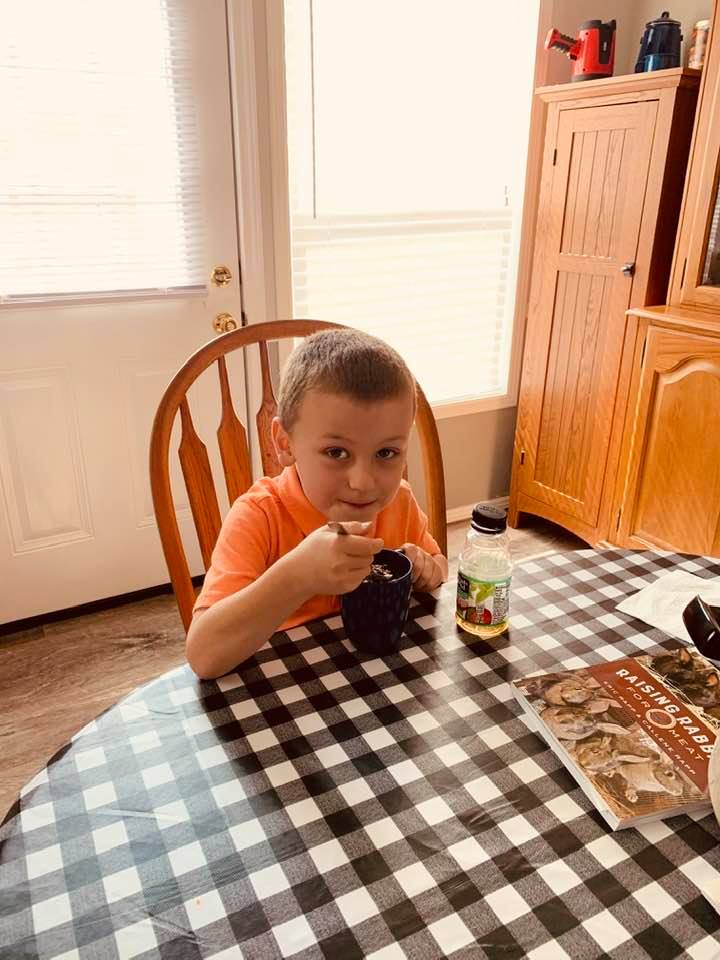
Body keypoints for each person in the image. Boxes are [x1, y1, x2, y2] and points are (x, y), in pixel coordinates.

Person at [187, 329, 448, 678]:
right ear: (284, 443)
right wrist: (298, 577)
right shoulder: (258, 516)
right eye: (336, 452)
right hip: (282, 697)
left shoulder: (398, 500)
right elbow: (204, 656)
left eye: (386, 453)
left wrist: (426, 571)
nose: (362, 482)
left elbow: (439, 564)